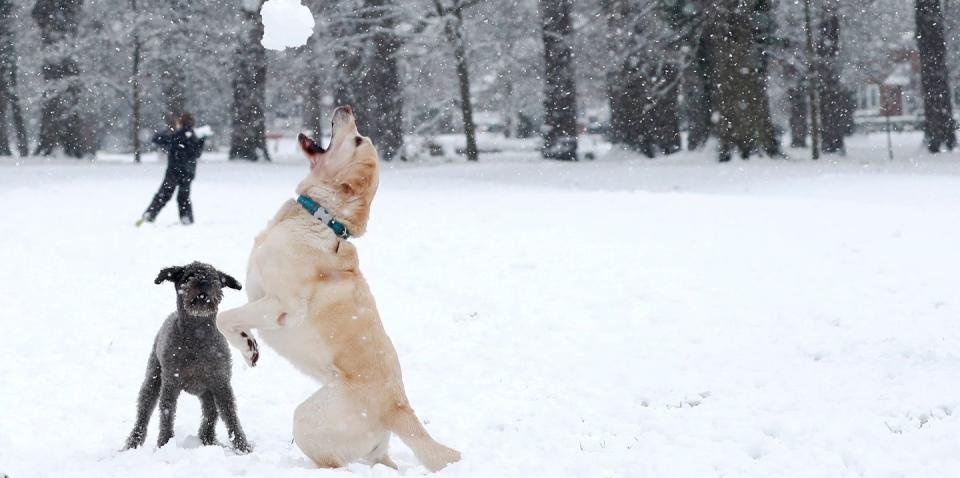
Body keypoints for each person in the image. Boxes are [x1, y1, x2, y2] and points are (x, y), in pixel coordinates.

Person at [137, 113, 205, 226]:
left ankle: (149, 215)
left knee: (163, 195)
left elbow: (158, 139)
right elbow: (197, 153)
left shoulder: (177, 135)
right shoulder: (194, 137)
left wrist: (165, 132)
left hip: (173, 172)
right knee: (184, 198)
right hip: (188, 173)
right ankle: (186, 218)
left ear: (181, 123)